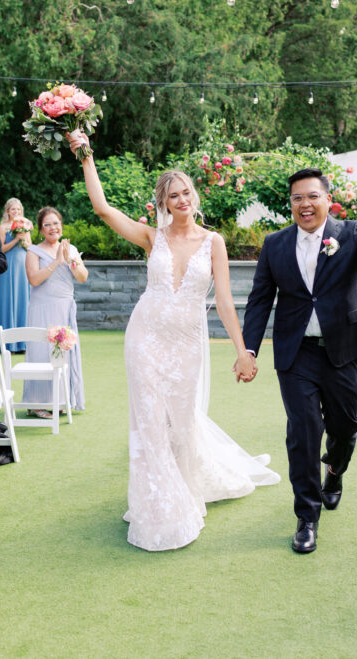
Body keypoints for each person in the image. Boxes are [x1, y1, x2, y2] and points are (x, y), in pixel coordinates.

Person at [67, 130, 280, 552]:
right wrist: (85, 154)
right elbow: (103, 209)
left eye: (187, 193)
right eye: (174, 196)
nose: (182, 200)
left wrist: (242, 351)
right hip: (145, 337)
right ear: (164, 202)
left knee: (180, 424)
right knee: (149, 420)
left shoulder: (213, 242)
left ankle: (185, 486)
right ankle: (160, 508)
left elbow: (223, 301)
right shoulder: (152, 237)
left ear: (194, 196)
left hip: (186, 344)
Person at [243, 167, 357, 554]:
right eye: (297, 198)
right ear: (291, 204)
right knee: (303, 430)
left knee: (344, 424)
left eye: (312, 196)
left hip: (343, 349)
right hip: (295, 352)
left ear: (327, 199)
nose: (305, 204)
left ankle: (334, 471)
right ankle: (307, 516)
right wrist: (248, 350)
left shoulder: (349, 234)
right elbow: (259, 300)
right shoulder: (275, 244)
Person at [24, 206, 87, 413]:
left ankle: (61, 401)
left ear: (62, 225)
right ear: (41, 230)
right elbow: (34, 280)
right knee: (42, 353)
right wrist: (56, 262)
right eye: (47, 225)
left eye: (56, 223)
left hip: (64, 307)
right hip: (42, 308)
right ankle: (38, 404)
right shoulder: (33, 251)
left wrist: (69, 260)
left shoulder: (71, 249)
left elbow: (82, 277)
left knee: (64, 354)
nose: (53, 228)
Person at [0, 197, 31, 353]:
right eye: (13, 209)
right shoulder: (3, 227)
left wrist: (23, 239)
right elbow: (2, 249)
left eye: (18, 209)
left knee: (23, 300)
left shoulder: (26, 226)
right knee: (9, 300)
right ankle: (9, 344)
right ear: (7, 211)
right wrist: (15, 239)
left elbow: (29, 247)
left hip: (23, 265)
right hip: (9, 265)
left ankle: (23, 343)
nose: (16, 212)